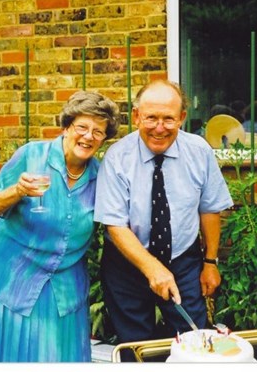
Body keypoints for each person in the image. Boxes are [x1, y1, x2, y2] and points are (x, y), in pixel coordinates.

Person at [94, 80, 233, 360]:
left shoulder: (199, 151)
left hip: (183, 260)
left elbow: (210, 208)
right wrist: (152, 269)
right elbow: (114, 225)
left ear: (182, 118)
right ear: (136, 117)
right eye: (151, 118)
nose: (160, 127)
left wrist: (210, 262)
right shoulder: (117, 157)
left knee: (193, 340)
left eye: (168, 118)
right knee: (136, 347)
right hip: (127, 263)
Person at [0, 90, 120, 362]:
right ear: (67, 127)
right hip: (16, 279)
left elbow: (117, 224)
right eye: (82, 127)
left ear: (104, 138)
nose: (88, 136)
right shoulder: (31, 156)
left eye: (98, 131)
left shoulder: (101, 176)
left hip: (65, 287)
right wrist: (17, 191)